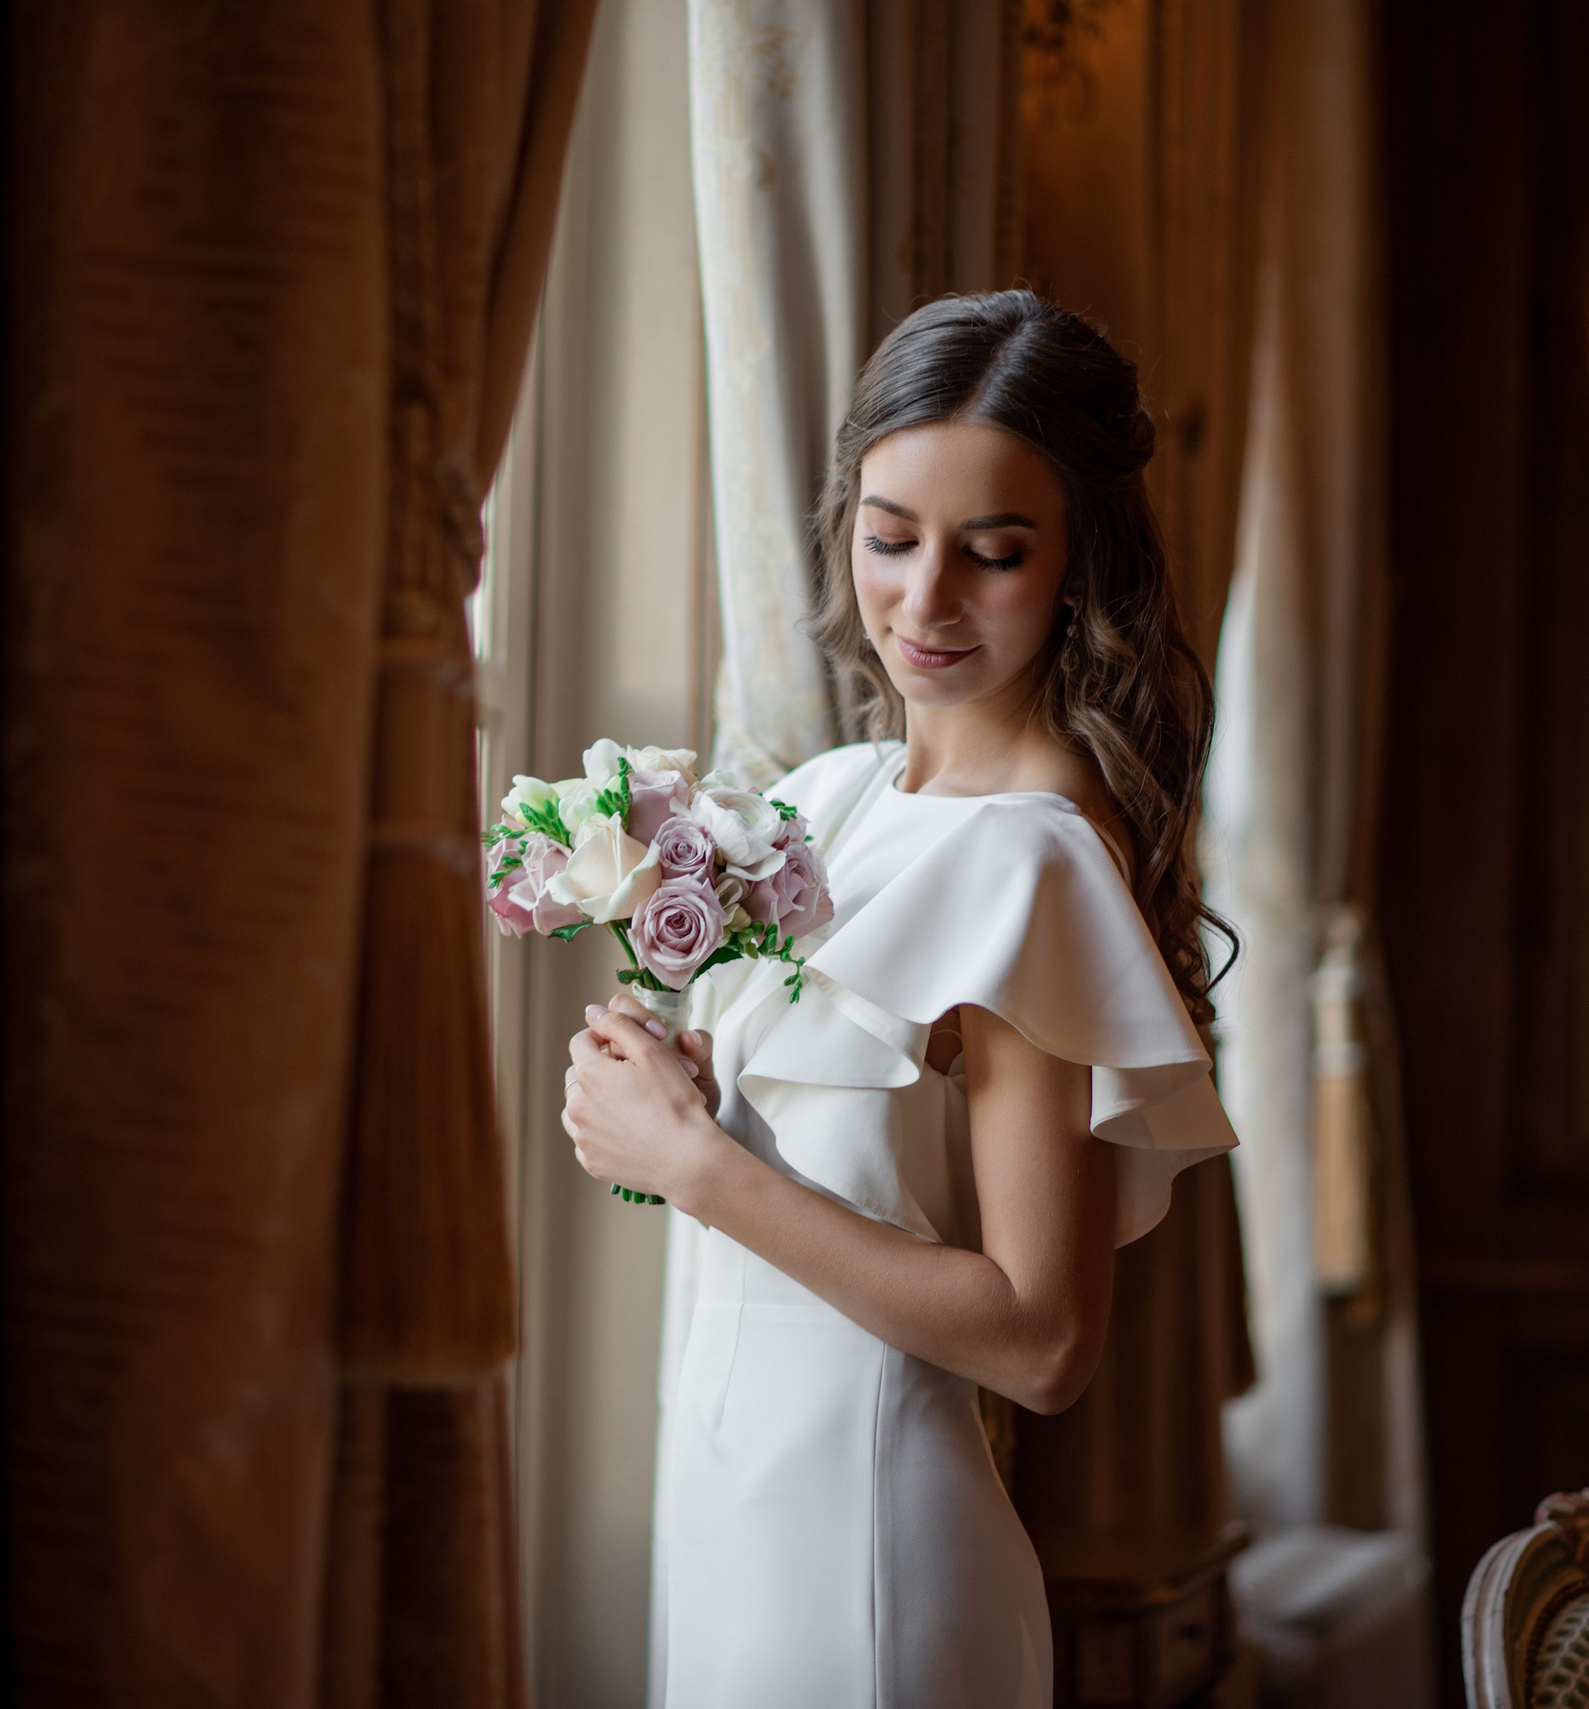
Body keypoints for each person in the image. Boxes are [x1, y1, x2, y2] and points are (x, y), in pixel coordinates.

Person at [557, 292, 1239, 1708]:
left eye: (992, 553)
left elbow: (1045, 1342)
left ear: (1076, 569)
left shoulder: (1032, 861)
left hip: (868, 1547)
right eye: (890, 537)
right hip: (725, 1504)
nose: (923, 603)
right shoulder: (836, 799)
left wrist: (690, 1164)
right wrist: (683, 1086)